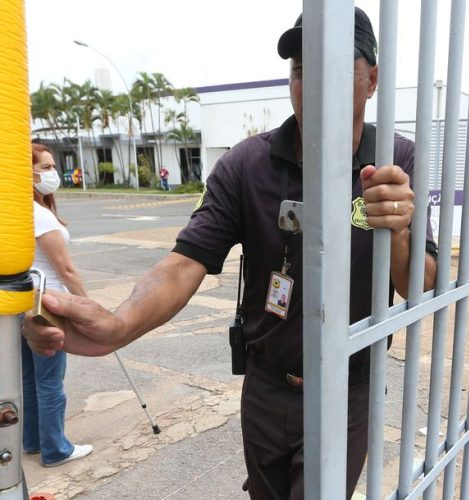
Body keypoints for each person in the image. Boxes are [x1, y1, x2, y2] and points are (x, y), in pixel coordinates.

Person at [23, 8, 438, 499]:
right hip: (265, 386)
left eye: (337, 68)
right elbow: (184, 263)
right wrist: (119, 325)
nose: (315, 83)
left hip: (349, 391)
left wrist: (399, 231)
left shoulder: (396, 160)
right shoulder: (247, 164)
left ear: (372, 80)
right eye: (303, 69)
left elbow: (422, 282)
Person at [22, 143, 94, 467]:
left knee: (30, 378)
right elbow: (65, 270)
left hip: (23, 303)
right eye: (46, 167)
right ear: (29, 172)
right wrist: (88, 304)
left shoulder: (19, 210)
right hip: (48, 303)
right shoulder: (37, 214)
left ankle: (33, 442)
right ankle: (56, 449)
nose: (53, 173)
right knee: (50, 380)